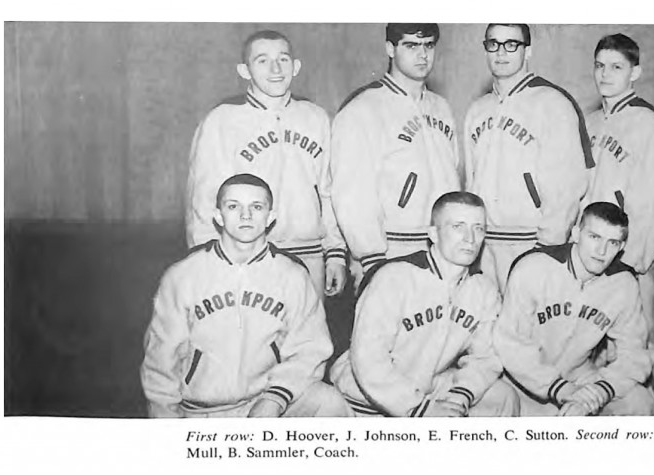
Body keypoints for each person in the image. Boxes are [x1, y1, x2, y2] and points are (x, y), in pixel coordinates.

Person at [142, 174, 350, 418]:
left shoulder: (291, 275)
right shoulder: (183, 276)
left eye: (256, 207)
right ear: (218, 216)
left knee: (329, 402)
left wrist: (275, 399)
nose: (246, 215)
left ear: (270, 217)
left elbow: (310, 349)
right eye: (233, 206)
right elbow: (160, 363)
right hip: (203, 411)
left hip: (264, 403)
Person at [185, 30, 347, 301]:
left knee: (308, 340)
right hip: (247, 255)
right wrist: (209, 263)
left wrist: (335, 252)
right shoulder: (222, 121)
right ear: (244, 70)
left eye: (283, 59)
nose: (275, 69)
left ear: (295, 67)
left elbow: (329, 192)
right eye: (262, 61)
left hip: (309, 254)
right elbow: (203, 201)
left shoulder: (316, 118)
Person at [330, 192, 519, 417]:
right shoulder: (395, 277)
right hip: (368, 396)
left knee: (502, 395)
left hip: (427, 384)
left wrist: (462, 393)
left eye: (478, 228)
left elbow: (485, 357)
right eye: (458, 226)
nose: (470, 238)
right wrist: (420, 410)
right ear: (433, 234)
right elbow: (368, 360)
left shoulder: (483, 289)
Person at [463, 23, 594, 292]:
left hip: (530, 242)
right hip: (483, 243)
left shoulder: (552, 102)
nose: (501, 52)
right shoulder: (478, 109)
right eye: (493, 43)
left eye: (511, 44)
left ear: (528, 51)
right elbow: (470, 180)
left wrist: (547, 247)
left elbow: (567, 187)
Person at [493, 202, 654, 416]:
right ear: (576, 234)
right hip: (525, 381)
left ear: (622, 247)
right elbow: (510, 343)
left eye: (613, 242)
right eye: (594, 237)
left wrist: (599, 391)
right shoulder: (534, 268)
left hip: (579, 378)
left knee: (641, 401)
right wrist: (559, 388)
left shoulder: (623, 284)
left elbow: (634, 354)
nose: (602, 251)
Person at [331, 23, 460, 284]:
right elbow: (352, 194)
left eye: (429, 45)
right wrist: (371, 257)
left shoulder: (441, 107)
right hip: (391, 251)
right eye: (411, 45)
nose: (422, 55)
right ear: (390, 48)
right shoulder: (363, 109)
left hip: (443, 249)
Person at [585, 33, 654, 343]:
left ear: (635, 72)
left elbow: (653, 205)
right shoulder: (590, 122)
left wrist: (632, 261)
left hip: (628, 260)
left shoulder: (647, 123)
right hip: (592, 255)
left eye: (616, 67)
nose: (605, 74)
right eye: (599, 66)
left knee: (638, 349)